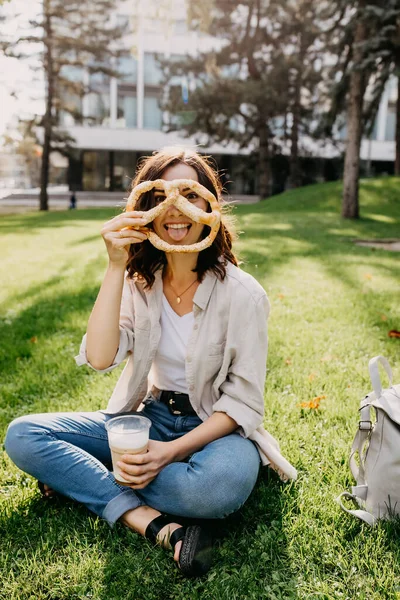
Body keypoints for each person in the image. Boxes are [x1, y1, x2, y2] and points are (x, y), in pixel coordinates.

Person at [5, 146, 296, 578]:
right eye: (162, 197)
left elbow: (244, 403)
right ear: (147, 210)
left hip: (217, 429)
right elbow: (102, 357)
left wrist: (170, 453)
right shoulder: (139, 282)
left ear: (209, 207)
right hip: (149, 419)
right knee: (24, 435)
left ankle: (87, 477)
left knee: (217, 490)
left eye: (190, 195)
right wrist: (114, 266)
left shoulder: (244, 294)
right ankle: (149, 519)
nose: (175, 209)